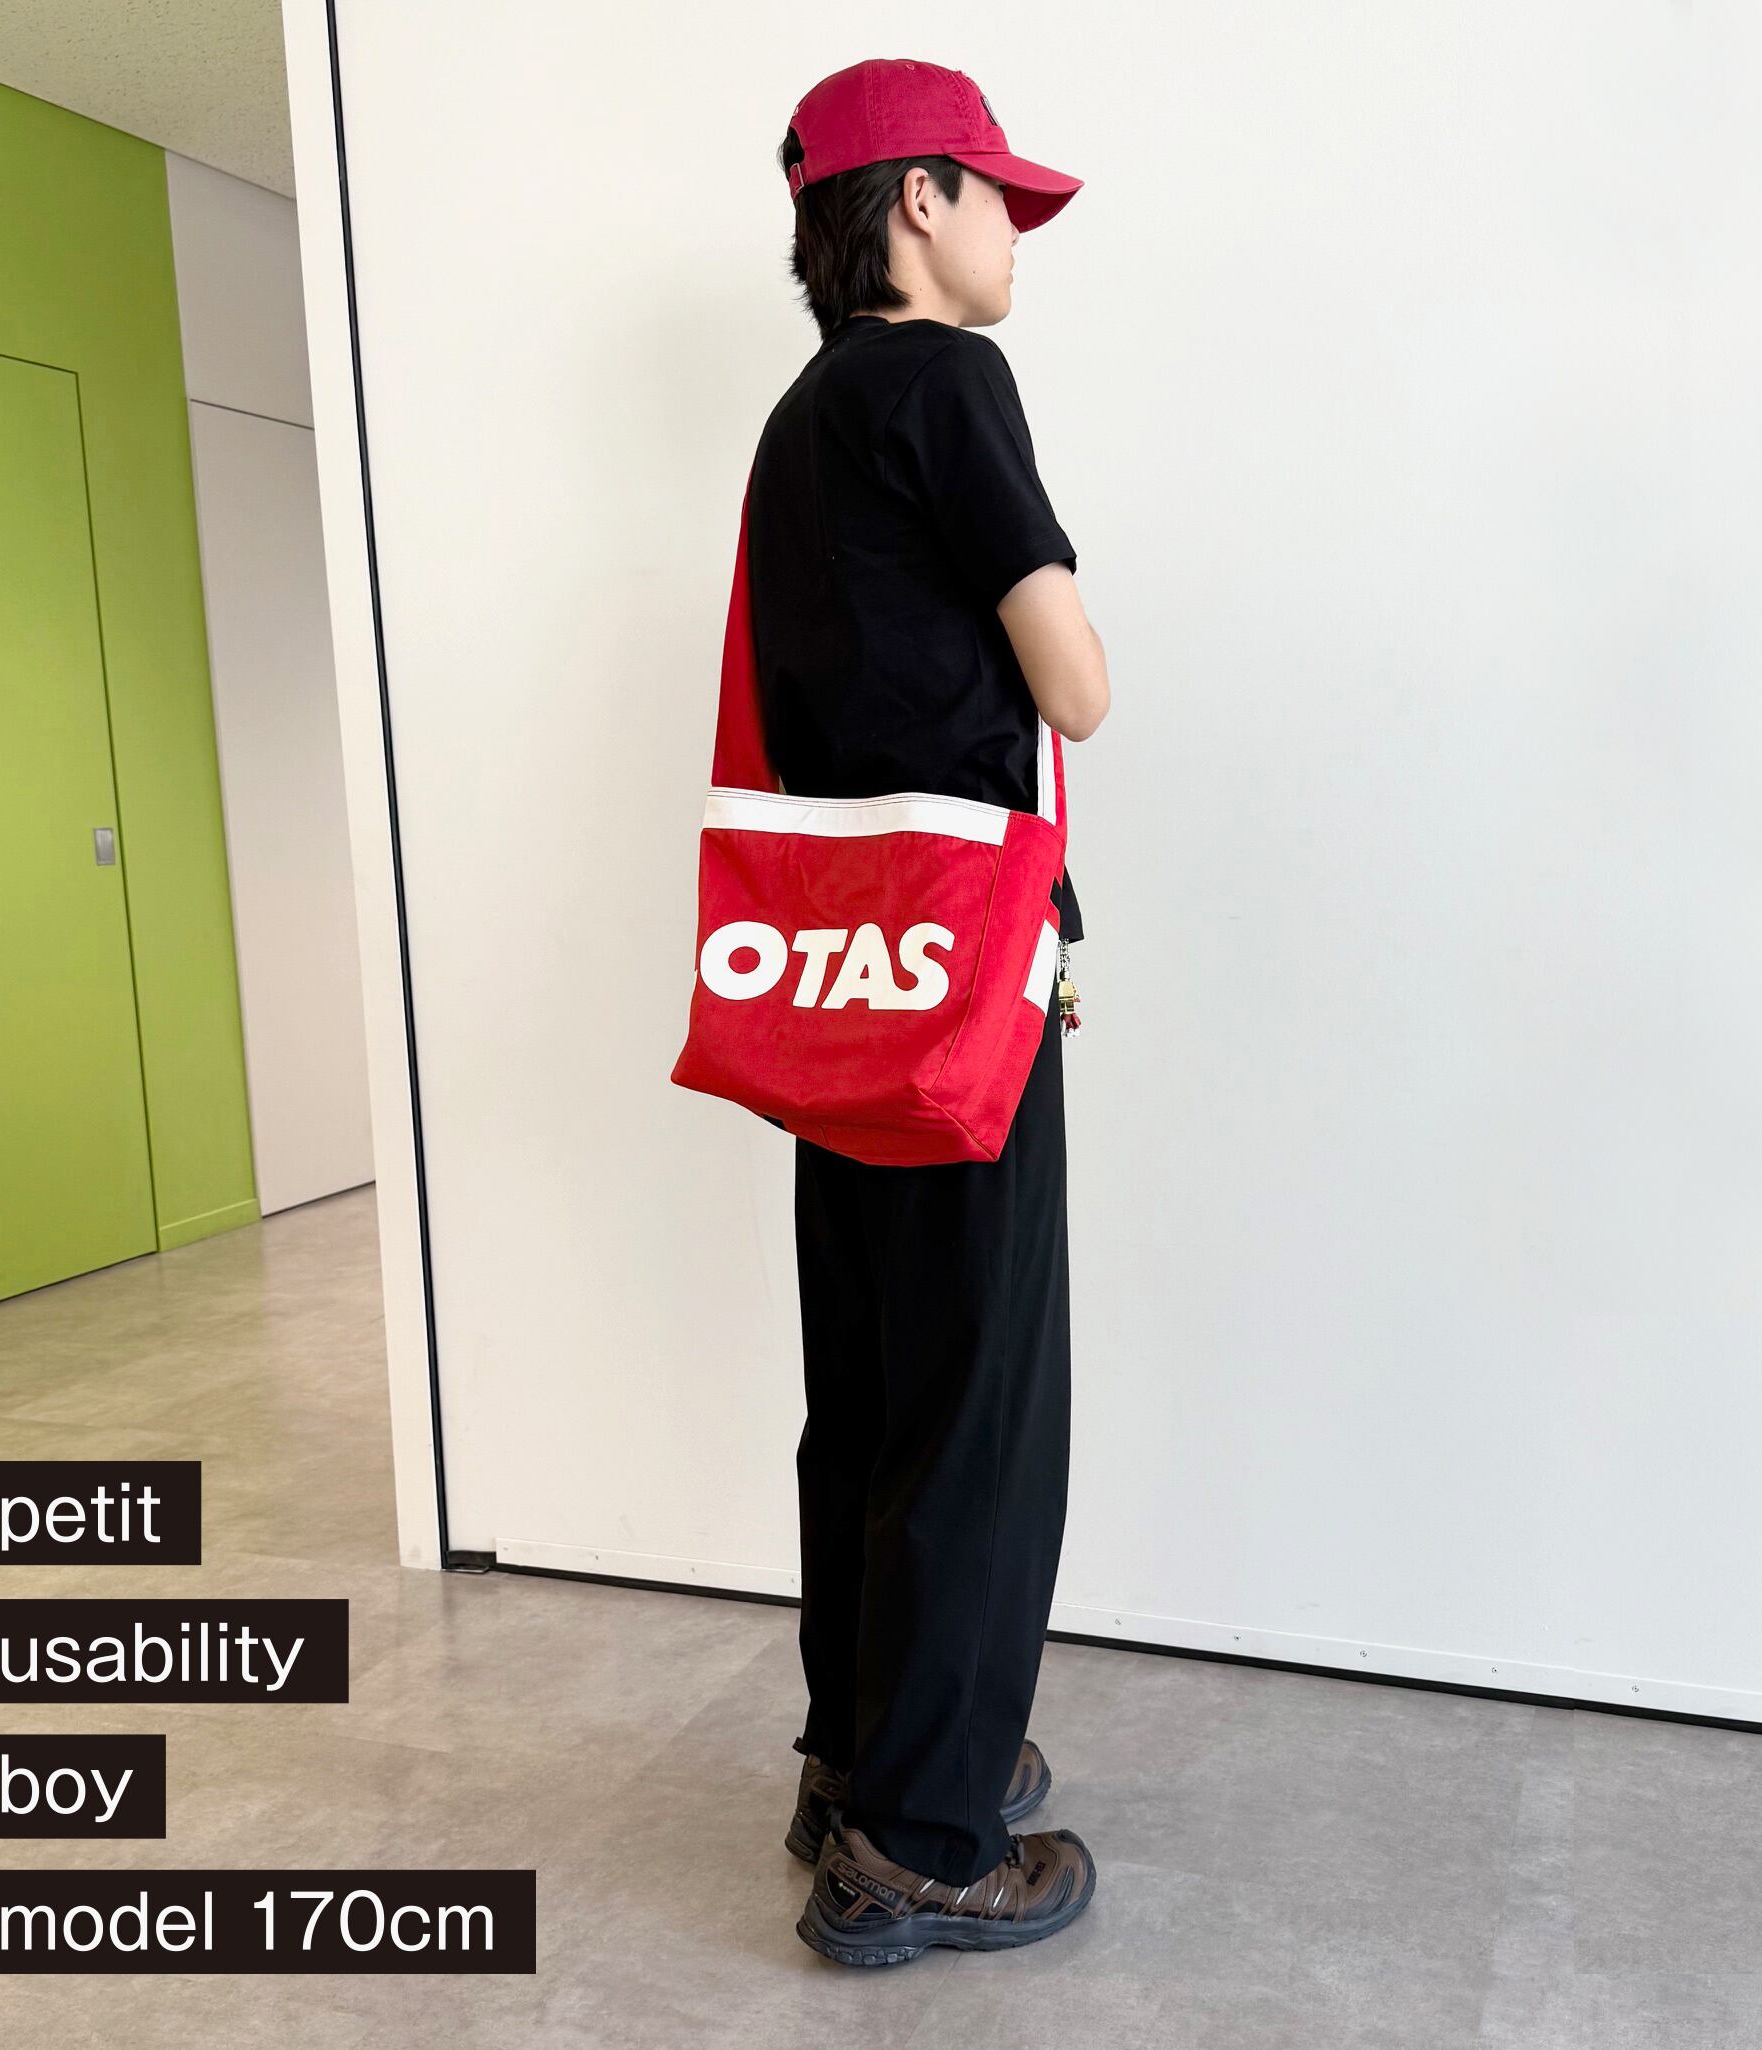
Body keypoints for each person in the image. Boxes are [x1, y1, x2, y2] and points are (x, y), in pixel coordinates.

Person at [740, 57, 1112, 1967]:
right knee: (981, 1396)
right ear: (913, 202)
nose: (1013, 235)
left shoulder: (795, 422)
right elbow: (1076, 686)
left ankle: (858, 1754)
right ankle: (926, 1837)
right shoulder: (947, 385)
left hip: (838, 967)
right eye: (994, 199)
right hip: (961, 969)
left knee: (872, 1381)